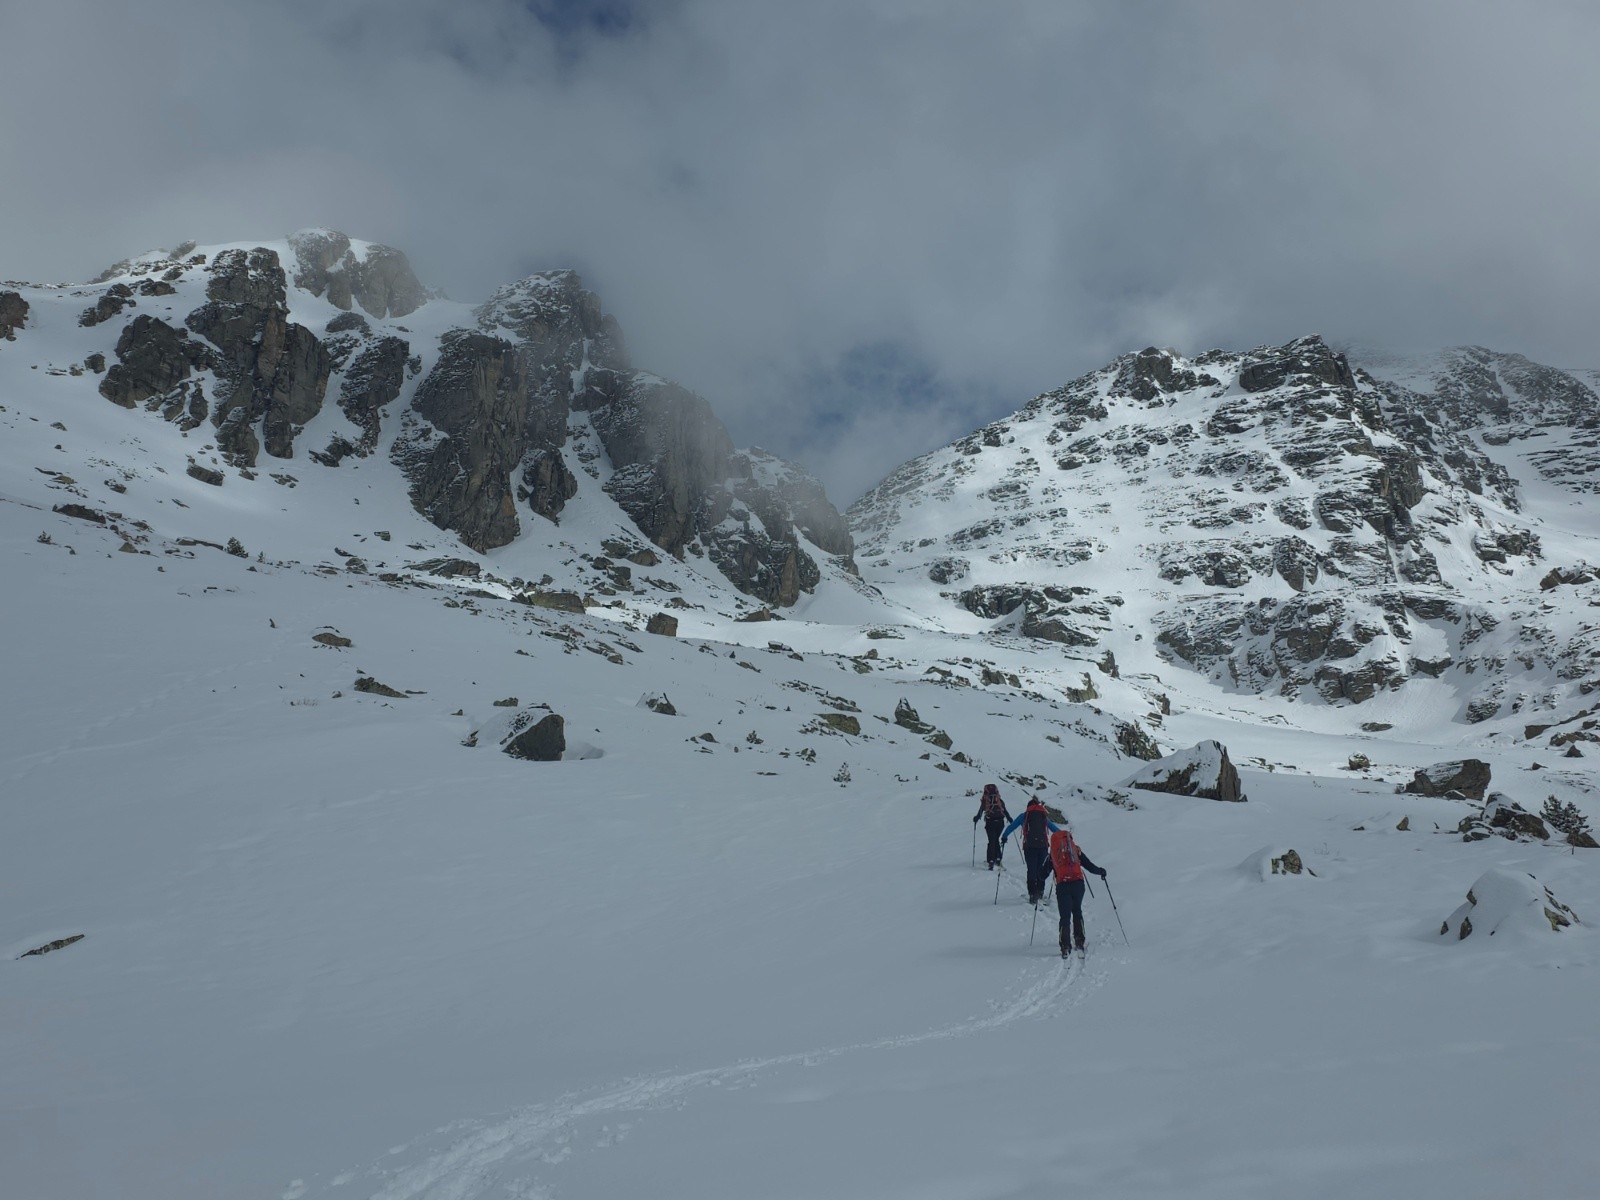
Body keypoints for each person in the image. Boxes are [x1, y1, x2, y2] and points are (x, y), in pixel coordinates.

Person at [1044, 823, 1107, 958]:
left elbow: (1043, 873)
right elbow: (1089, 866)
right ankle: (1079, 940)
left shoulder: (1053, 854)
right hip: (1078, 884)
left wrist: (1038, 880)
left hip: (1063, 886)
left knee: (1065, 916)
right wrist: (1101, 871)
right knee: (1077, 911)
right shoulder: (1076, 850)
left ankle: (1065, 945)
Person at [1000, 796, 1060, 904]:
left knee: (1031, 870)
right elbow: (1054, 828)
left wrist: (1004, 836)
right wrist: (1064, 837)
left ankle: (1033, 895)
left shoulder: (1025, 816)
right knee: (1041, 869)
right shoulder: (1043, 816)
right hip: (1043, 847)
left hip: (1029, 847)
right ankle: (1040, 891)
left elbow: (1011, 826)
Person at [971, 783, 1011, 870]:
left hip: (990, 823)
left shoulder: (986, 801)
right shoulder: (999, 800)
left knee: (992, 840)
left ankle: (991, 860)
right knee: (996, 839)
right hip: (1000, 823)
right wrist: (1010, 819)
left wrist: (976, 819)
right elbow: (1005, 812)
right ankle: (998, 858)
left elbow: (981, 812)